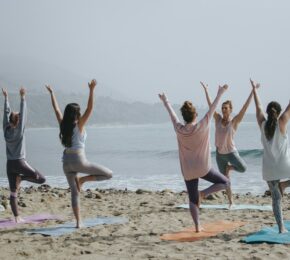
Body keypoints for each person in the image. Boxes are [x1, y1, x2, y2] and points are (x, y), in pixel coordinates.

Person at [158, 85, 230, 232]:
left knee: (192, 199)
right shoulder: (202, 125)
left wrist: (165, 101)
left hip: (188, 170)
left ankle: (197, 226)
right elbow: (213, 108)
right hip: (203, 167)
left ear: (184, 117)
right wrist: (220, 92)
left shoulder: (179, 129)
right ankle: (203, 194)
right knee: (225, 182)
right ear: (195, 115)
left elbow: (172, 115)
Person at [45, 79, 112, 228]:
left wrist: (52, 93)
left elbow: (56, 110)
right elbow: (90, 109)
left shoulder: (63, 125)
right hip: (79, 160)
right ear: (77, 114)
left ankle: (78, 222)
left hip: (66, 162)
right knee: (108, 174)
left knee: (74, 193)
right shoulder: (79, 125)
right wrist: (92, 90)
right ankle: (83, 180)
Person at [201, 82, 253, 207]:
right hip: (220, 155)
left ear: (230, 110)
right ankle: (230, 202)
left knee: (243, 168)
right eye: (222, 107)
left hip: (231, 153)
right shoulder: (218, 119)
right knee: (225, 180)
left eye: (226, 108)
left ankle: (230, 168)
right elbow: (211, 106)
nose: (223, 109)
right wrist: (206, 90)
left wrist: (253, 92)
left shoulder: (234, 121)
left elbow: (244, 109)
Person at [251, 78, 290, 233]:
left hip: (269, 169)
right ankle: (285, 185)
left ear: (267, 112)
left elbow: (258, 106)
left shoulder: (262, 123)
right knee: (280, 192)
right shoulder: (283, 121)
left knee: (276, 200)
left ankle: (281, 227)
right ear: (278, 112)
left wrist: (254, 90)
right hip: (284, 165)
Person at [2, 87, 46, 223]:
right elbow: (24, 114)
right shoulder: (20, 131)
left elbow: (6, 114)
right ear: (19, 121)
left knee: (13, 192)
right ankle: (22, 179)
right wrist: (23, 98)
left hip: (10, 164)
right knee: (40, 178)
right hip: (20, 162)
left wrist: (6, 98)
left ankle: (17, 218)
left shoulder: (5, 130)